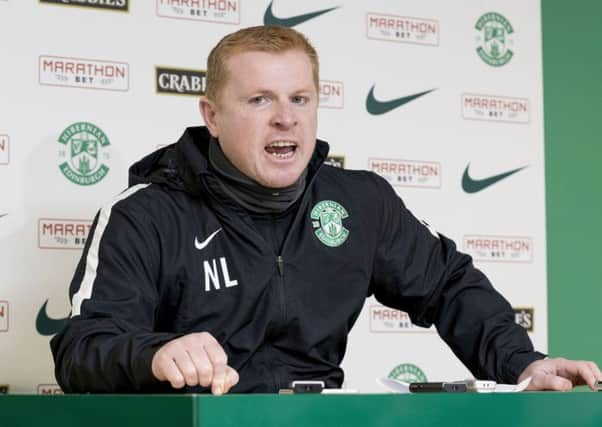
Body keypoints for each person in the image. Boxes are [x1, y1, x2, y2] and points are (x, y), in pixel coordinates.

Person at [51, 26, 601, 395]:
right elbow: (81, 348)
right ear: (212, 116)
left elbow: (449, 285)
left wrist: (520, 362)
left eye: (300, 98)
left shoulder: (358, 202)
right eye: (260, 99)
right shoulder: (145, 214)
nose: (286, 119)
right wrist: (156, 353)